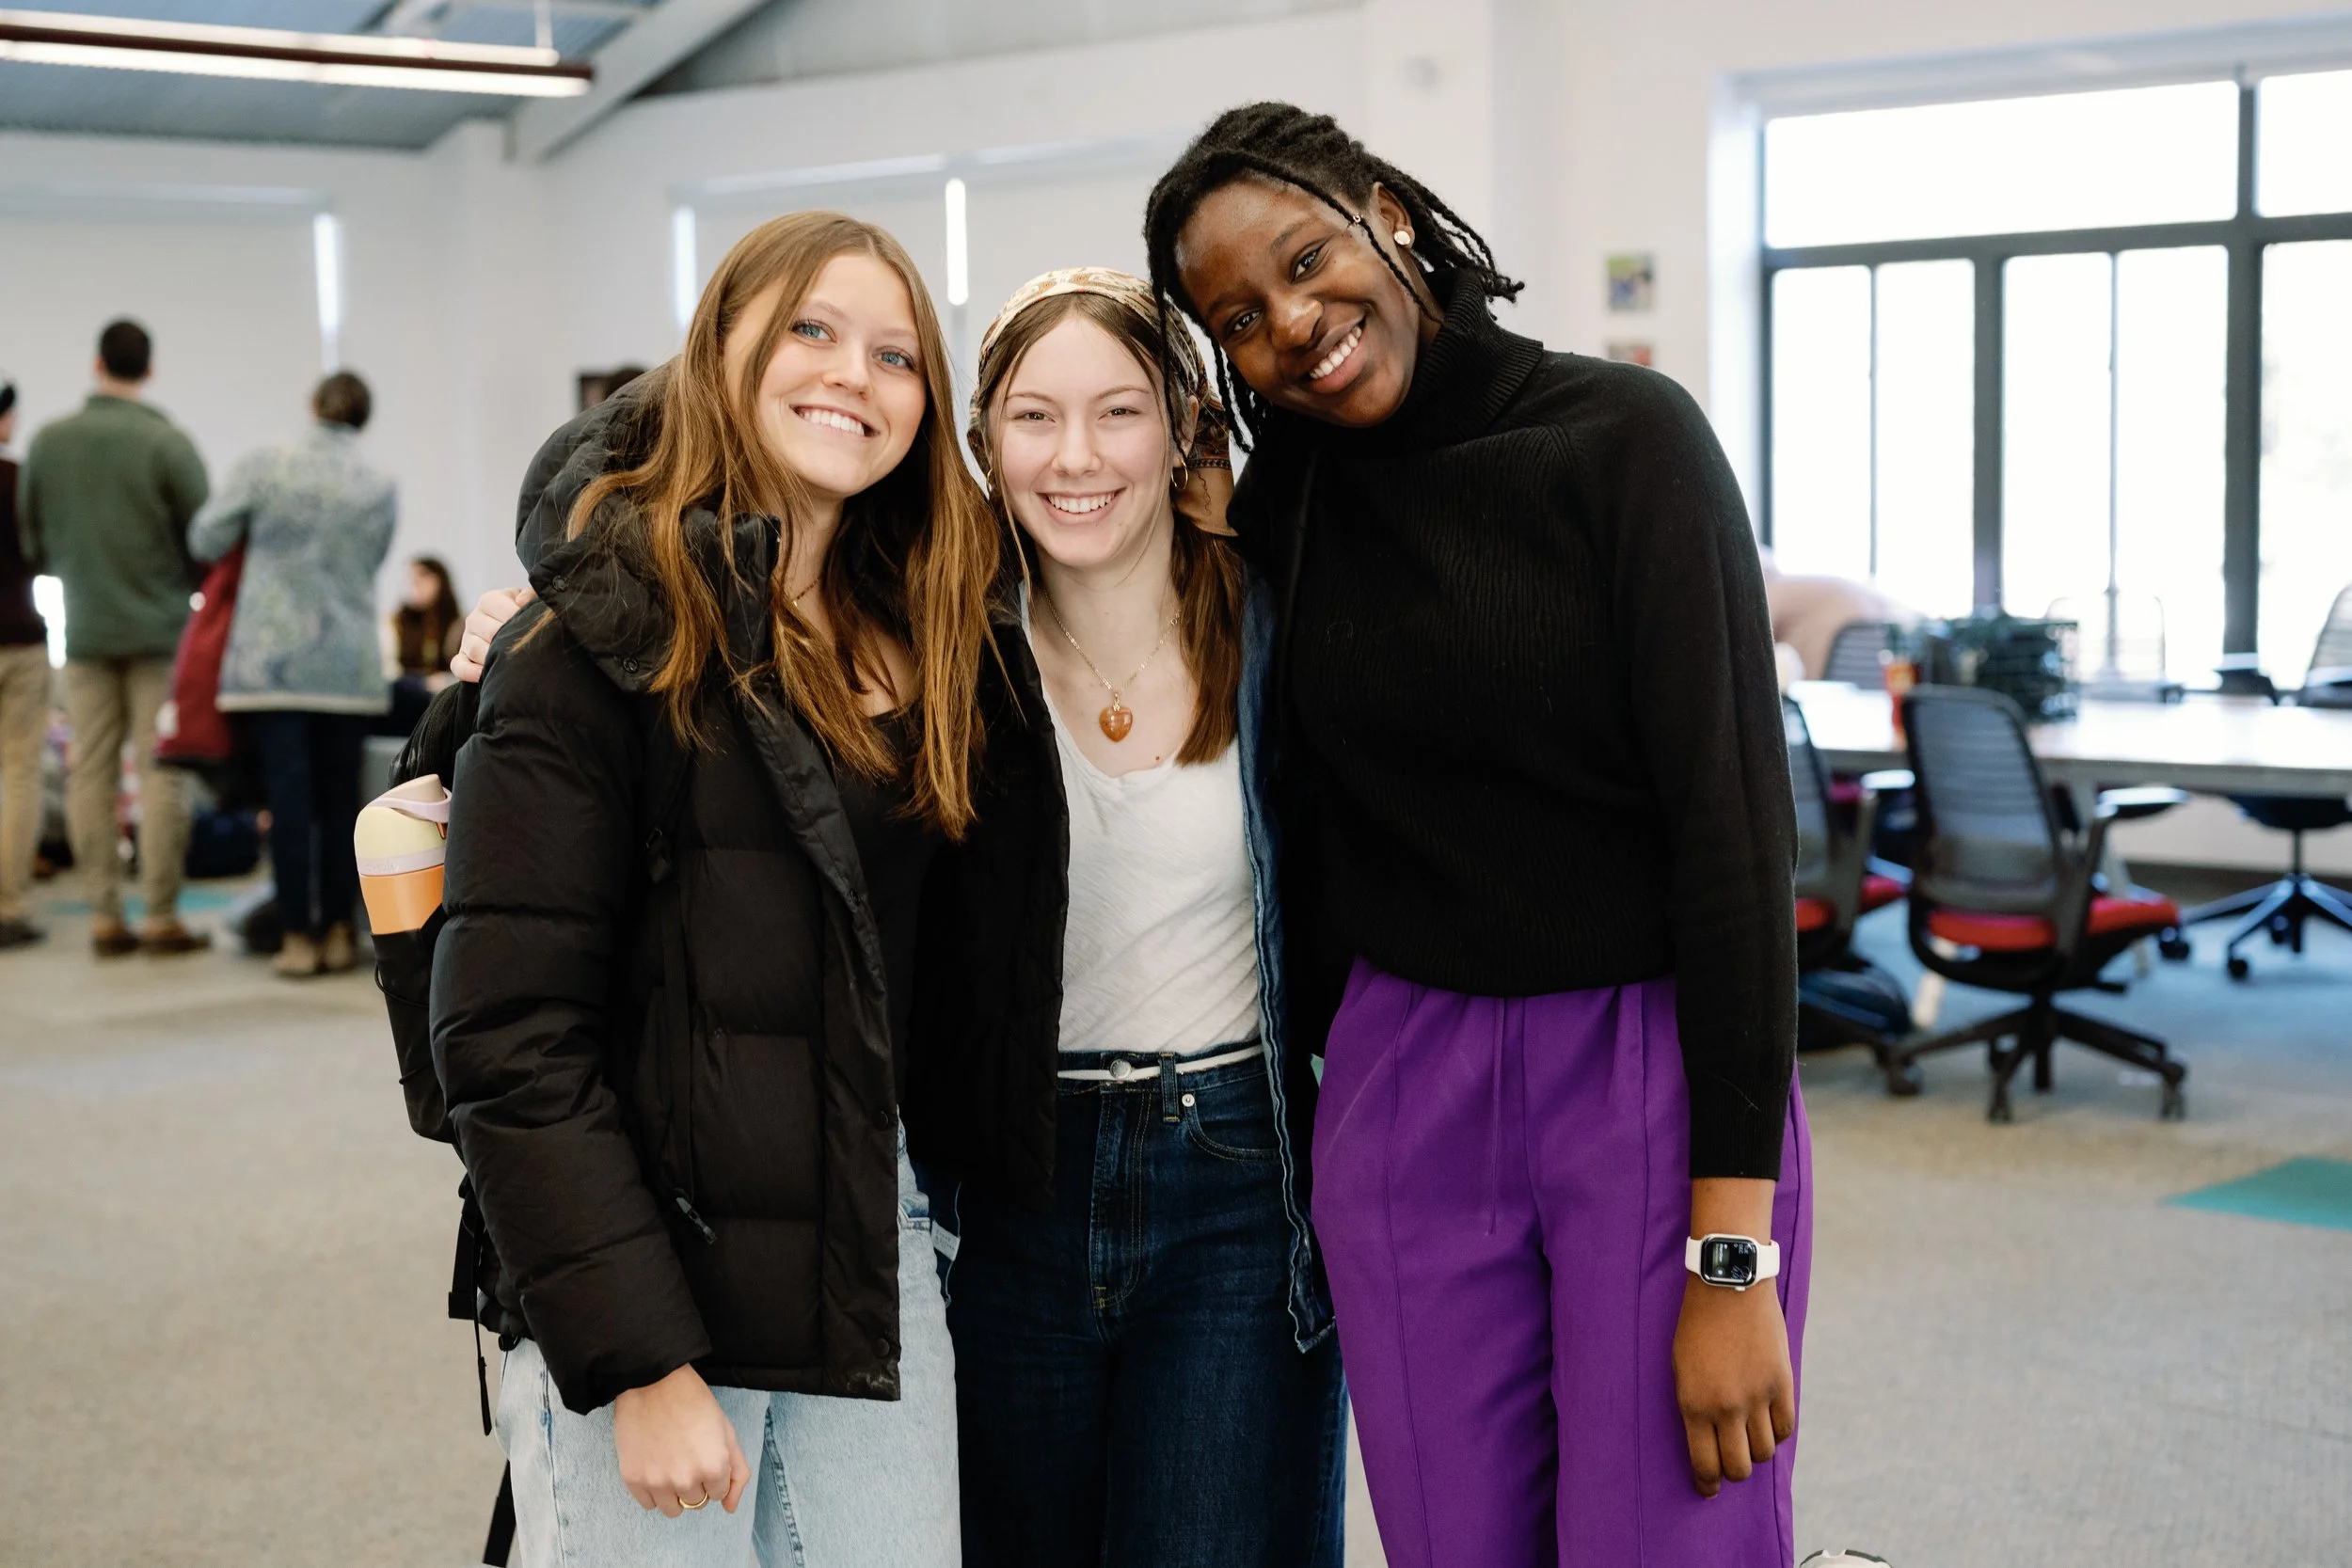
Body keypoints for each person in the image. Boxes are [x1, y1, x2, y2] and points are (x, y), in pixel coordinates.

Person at [1145, 104, 1809, 1568]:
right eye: (1240, 319)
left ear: (1386, 212)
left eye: (1309, 258)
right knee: (1451, 1539)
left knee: (1666, 1539)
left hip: (1640, 1063)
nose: (1295, 325)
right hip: (1401, 1078)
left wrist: (1733, 1250)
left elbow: (1735, 843)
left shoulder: (1624, 441)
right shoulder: (1293, 499)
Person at [432, 211, 993, 1568]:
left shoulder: (924, 629)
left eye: (897, 356)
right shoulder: (593, 639)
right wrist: (640, 1361)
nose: (854, 375)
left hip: (868, 1237)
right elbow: (508, 1036)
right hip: (656, 1259)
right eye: (812, 328)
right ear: (719, 345)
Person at [910, 269, 1345, 1566]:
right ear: (986, 440)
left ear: (1182, 422)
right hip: (1004, 1180)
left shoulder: (1278, 620)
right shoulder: (935, 641)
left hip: (1232, 1174)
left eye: (1119, 410)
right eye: (1035, 418)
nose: (1079, 456)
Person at [190, 372, 396, 978]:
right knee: (341, 806)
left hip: (273, 664)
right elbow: (373, 558)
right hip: (348, 665)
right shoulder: (380, 484)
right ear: (363, 419)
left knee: (288, 802)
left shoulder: (265, 464)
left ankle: (296, 939)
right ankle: (337, 929)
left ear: (313, 407)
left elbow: (206, 537)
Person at [17, 319, 210, 957]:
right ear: (148, 369)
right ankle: (159, 915)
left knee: (88, 774)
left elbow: (32, 544)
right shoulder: (167, 442)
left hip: (88, 632)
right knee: (160, 774)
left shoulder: (48, 442)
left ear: (96, 363)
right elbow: (205, 542)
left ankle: (104, 914)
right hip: (160, 633)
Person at [0, 376, 50, 950]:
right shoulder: (18, 481)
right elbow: (40, 550)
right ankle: (9, 905)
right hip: (17, 636)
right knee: (21, 774)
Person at [1756, 546, 1915, 681]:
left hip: (1826, 688)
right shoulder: (1806, 586)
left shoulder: (1771, 592)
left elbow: (1751, 643)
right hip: (1883, 682)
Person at [383, 554, 460, 735]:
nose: (414, 585)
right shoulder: (396, 623)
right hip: (405, 699)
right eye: (411, 580)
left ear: (439, 581)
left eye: (422, 578)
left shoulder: (457, 625)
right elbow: (390, 671)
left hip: (441, 702)